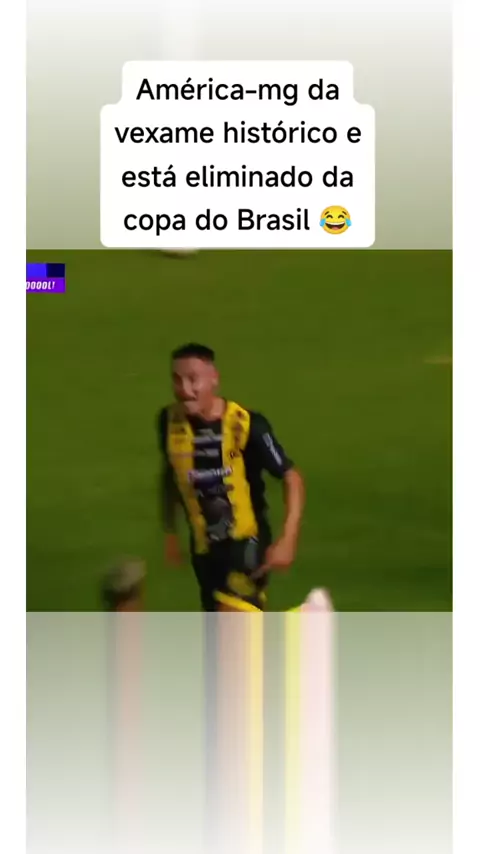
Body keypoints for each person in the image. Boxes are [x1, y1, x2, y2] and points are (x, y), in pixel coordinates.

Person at [156, 343, 305, 612]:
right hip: (203, 552)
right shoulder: (168, 422)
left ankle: (307, 623)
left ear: (214, 379)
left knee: (232, 632)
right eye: (177, 380)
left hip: (246, 546)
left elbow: (291, 477)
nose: (185, 389)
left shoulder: (246, 424)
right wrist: (170, 531)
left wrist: (288, 538)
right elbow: (171, 474)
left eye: (193, 379)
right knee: (224, 637)